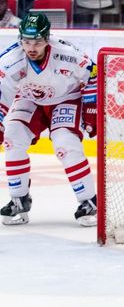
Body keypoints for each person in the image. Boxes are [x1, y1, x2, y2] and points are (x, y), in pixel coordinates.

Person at [0, 13, 98, 227]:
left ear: (47, 38)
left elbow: (93, 73)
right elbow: (2, 93)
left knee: (65, 144)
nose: (31, 47)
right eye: (26, 41)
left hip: (65, 98)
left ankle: (89, 201)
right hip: (29, 98)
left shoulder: (67, 54)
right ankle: (19, 199)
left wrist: (91, 109)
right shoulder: (10, 61)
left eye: (37, 42)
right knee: (12, 137)